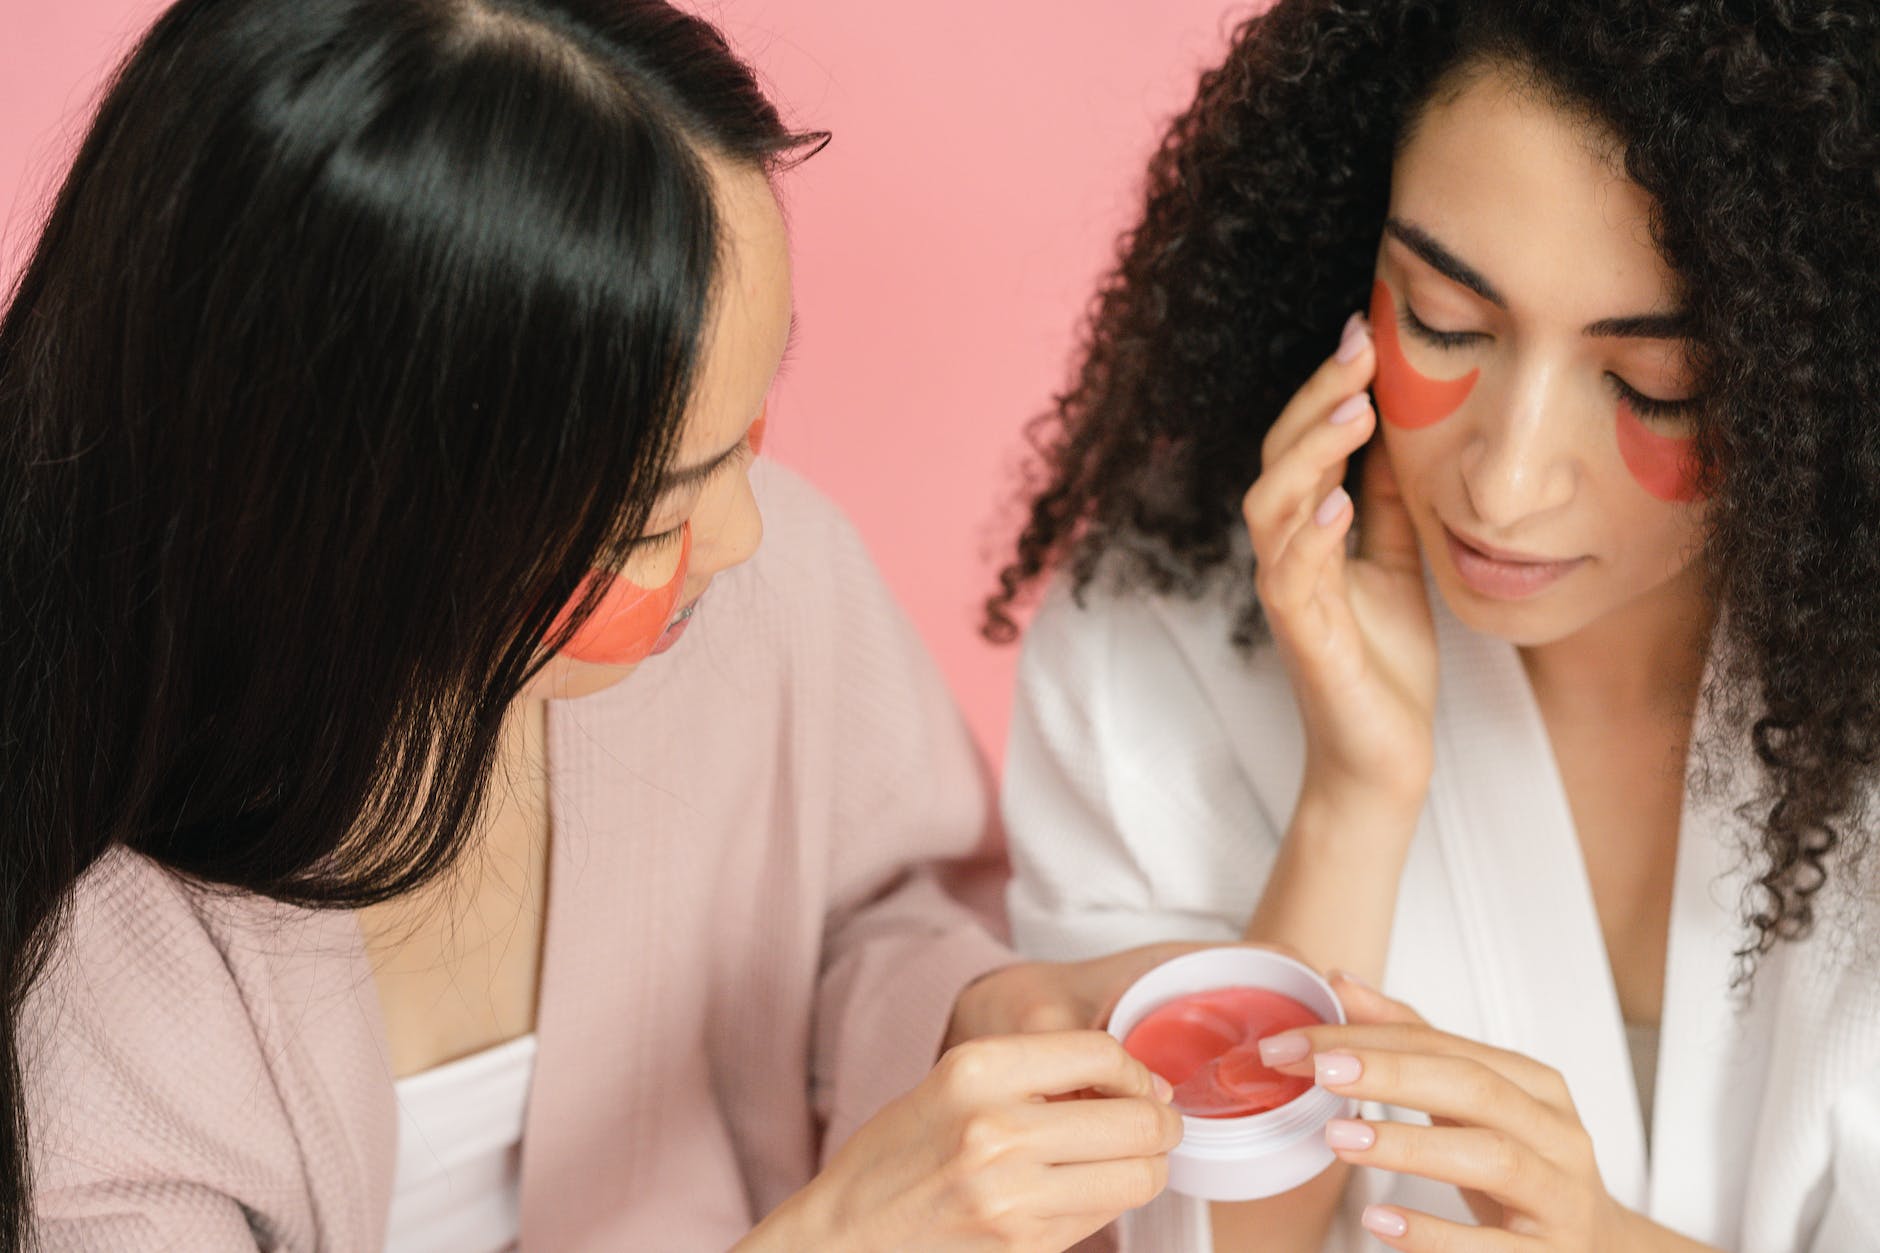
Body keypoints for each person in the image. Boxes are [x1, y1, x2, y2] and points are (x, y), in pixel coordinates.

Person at [2, 2, 1191, 1249]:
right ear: (356, 520)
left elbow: (873, 907)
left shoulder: (769, 593)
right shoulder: (81, 953)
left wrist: (967, 1016)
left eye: (748, 429)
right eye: (649, 516)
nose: (740, 535)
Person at [988, 2, 1880, 1251]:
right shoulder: (1159, 631)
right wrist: (1354, 794)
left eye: (1653, 386)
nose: (1506, 483)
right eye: (1443, 320)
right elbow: (1191, 1231)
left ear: (1817, 374)